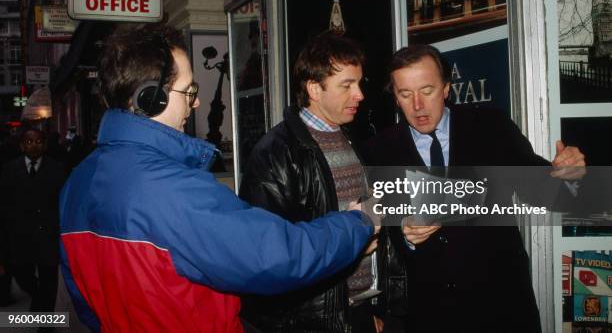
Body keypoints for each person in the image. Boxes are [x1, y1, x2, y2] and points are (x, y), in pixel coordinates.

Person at [59, 24, 375, 333]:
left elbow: (84, 300)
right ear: (151, 99)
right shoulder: (173, 190)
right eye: (189, 91)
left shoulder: (77, 182)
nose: (196, 102)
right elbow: (277, 256)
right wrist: (358, 223)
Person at [362, 44, 585, 333]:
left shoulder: (491, 128)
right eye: (405, 94)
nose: (417, 105)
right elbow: (376, 237)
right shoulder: (379, 152)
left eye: (427, 91)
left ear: (446, 89)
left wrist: (569, 176)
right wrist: (403, 233)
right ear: (395, 96)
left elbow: (546, 194)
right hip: (427, 315)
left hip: (501, 310)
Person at [239, 31, 381, 333]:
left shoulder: (354, 138)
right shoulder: (274, 154)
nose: (360, 95)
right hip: (310, 322)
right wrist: (350, 246)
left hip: (358, 310)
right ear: (314, 89)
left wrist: (370, 310)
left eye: (359, 83)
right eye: (347, 85)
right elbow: (270, 257)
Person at [0, 128, 66, 314]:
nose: (34, 145)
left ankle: (45, 324)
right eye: (29, 141)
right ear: (22, 145)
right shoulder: (9, 169)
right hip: (20, 236)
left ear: (44, 145)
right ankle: (39, 297)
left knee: (49, 281)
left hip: (48, 235)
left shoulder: (57, 169)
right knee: (21, 274)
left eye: (38, 141)